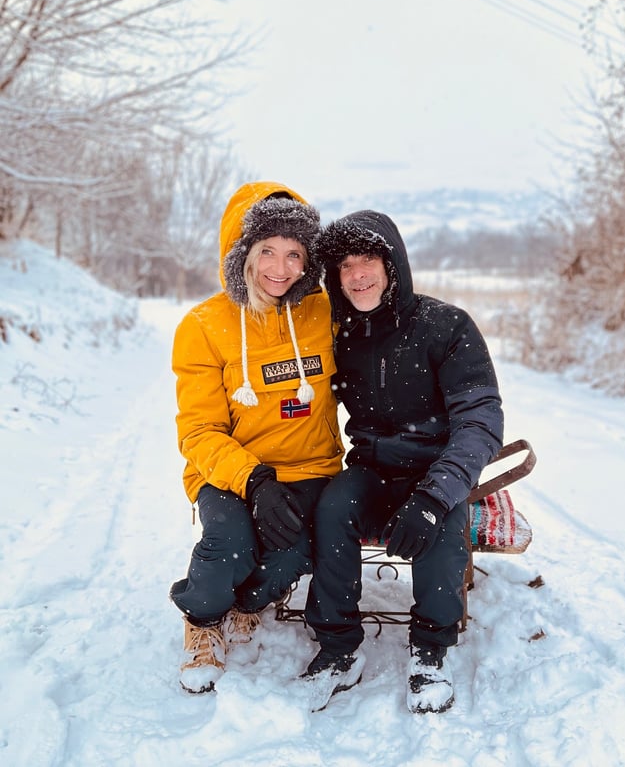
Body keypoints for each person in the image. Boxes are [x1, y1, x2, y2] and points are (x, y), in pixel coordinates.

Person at [301, 210, 503, 713]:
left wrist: (434, 497)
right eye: (345, 266)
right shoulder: (339, 334)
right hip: (371, 470)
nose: (357, 275)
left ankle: (430, 650)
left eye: (367, 260)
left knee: (443, 530)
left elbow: (480, 420)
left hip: (436, 472)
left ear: (393, 264)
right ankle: (339, 648)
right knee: (332, 508)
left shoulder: (446, 326)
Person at [169, 181, 343, 694]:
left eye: (294, 254)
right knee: (229, 544)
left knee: (293, 552)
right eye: (267, 250)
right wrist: (254, 480)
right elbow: (198, 430)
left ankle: (248, 602)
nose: (280, 268)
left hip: (310, 466)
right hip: (230, 471)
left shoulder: (324, 312)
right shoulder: (203, 325)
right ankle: (203, 620)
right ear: (241, 252)